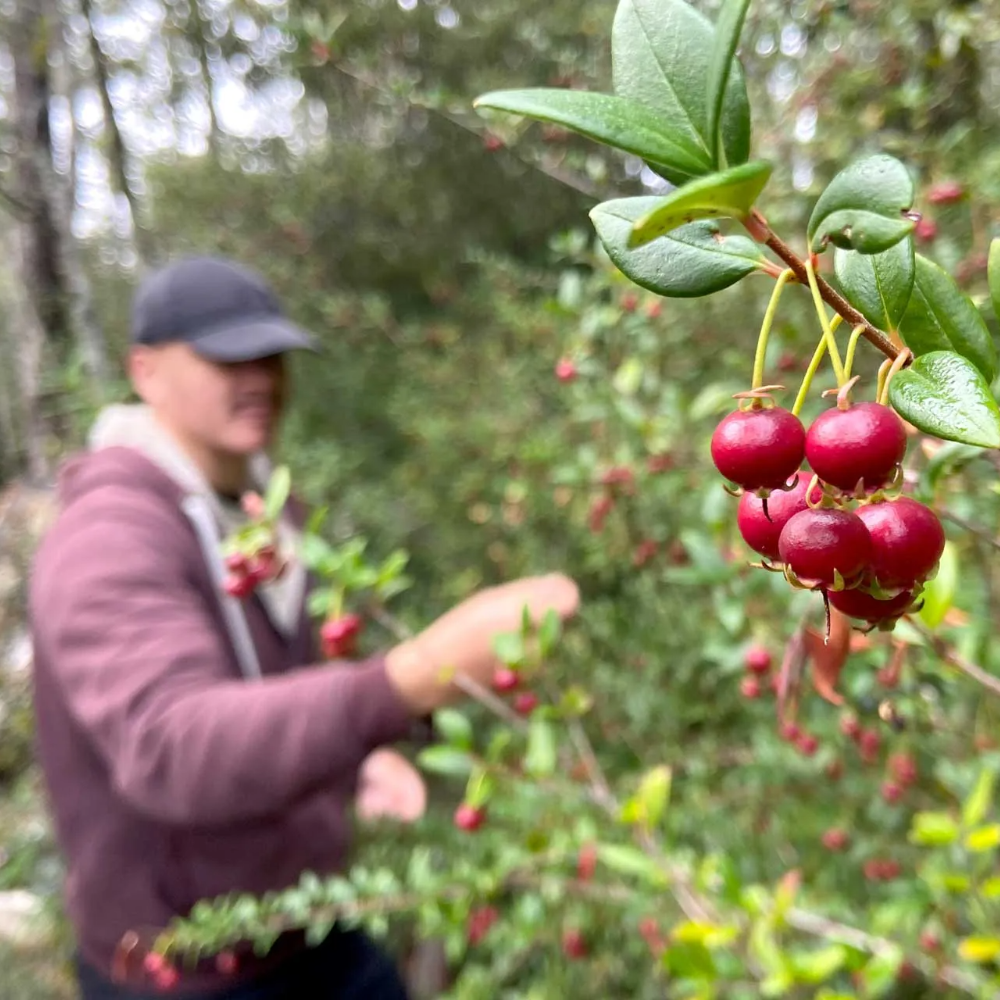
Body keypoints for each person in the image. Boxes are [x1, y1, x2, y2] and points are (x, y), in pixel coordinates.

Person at [28, 255, 581, 1000]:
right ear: (145, 370)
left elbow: (276, 689)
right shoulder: (109, 534)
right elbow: (169, 743)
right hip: (185, 969)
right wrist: (407, 681)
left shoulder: (266, 514)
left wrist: (353, 763)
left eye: (270, 354)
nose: (259, 377)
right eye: (227, 357)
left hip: (308, 925)